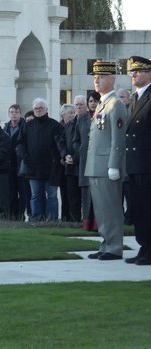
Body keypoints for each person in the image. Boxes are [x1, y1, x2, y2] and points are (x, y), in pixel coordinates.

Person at [85, 61, 127, 260]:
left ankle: (114, 247)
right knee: (101, 209)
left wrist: (114, 165)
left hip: (106, 165)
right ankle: (106, 244)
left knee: (110, 207)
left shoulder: (115, 104)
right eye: (95, 77)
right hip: (96, 164)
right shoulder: (103, 103)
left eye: (101, 77)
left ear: (111, 79)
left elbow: (118, 138)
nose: (97, 80)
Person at [17, 98, 63, 222]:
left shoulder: (55, 125)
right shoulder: (28, 126)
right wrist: (26, 158)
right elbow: (20, 144)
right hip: (33, 167)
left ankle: (52, 220)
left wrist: (57, 160)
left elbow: (61, 144)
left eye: (40, 108)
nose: (38, 110)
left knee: (52, 195)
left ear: (46, 109)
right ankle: (37, 219)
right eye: (35, 108)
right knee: (36, 195)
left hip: (51, 168)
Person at [124, 56, 151, 265]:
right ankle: (144, 246)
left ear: (149, 73)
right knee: (138, 209)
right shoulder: (134, 98)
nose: (133, 74)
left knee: (147, 208)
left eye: (138, 71)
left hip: (147, 163)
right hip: (134, 163)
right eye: (132, 71)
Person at [72, 95, 96, 231]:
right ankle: (88, 224)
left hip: (100, 161)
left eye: (95, 101)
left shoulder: (104, 115)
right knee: (86, 194)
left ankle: (100, 223)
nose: (93, 103)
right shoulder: (81, 119)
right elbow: (75, 140)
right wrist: (80, 150)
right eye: (90, 101)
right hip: (85, 161)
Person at [57, 103, 81, 222]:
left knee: (75, 194)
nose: (72, 115)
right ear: (63, 115)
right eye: (69, 113)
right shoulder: (62, 127)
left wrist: (73, 158)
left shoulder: (76, 125)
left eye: (73, 113)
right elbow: (60, 143)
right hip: (64, 166)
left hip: (76, 164)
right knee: (67, 194)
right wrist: (64, 155)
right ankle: (67, 217)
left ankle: (75, 218)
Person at [4, 104, 27, 220]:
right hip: (8, 164)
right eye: (12, 112)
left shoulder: (25, 127)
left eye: (16, 112)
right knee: (11, 191)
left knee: (23, 191)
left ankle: (20, 214)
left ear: (20, 114)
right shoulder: (5, 128)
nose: (14, 114)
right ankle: (12, 215)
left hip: (20, 163)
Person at [116, 88, 133, 225]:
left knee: (130, 195)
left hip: (129, 163)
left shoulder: (132, 114)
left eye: (122, 97)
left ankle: (130, 218)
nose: (119, 99)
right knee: (117, 197)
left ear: (128, 99)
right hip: (116, 163)